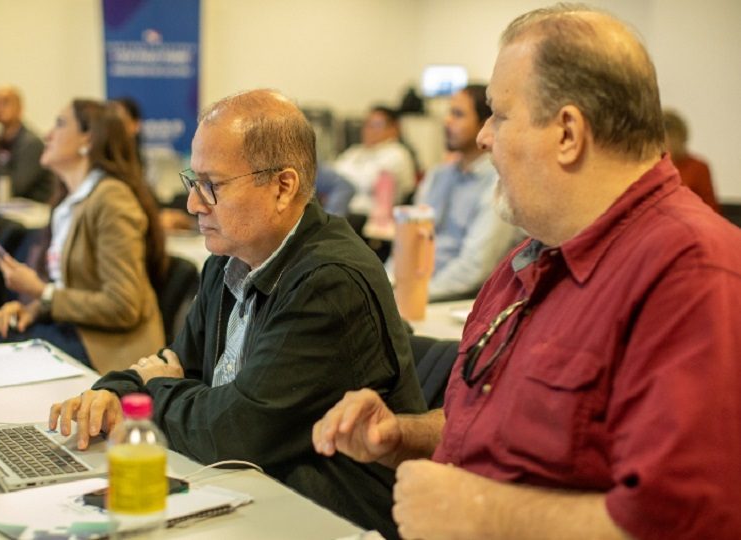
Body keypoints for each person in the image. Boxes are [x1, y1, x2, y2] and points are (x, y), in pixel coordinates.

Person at [313, 5, 741, 540]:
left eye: (499, 114)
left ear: (567, 132)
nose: (485, 137)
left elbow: (687, 524)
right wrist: (404, 435)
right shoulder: (538, 255)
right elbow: (514, 419)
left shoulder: (693, 274)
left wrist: (483, 513)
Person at [49, 89, 426, 537]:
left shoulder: (329, 281)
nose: (193, 203)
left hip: (334, 517)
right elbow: (176, 361)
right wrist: (115, 391)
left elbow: (234, 431)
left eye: (212, 185)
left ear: (282, 187)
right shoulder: (227, 262)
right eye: (194, 181)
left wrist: (155, 391)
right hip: (252, 487)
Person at [0, 99, 166, 373]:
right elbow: (75, 291)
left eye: (60, 124)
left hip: (104, 351)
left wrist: (40, 291)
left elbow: (122, 306)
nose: (48, 134)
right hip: (73, 331)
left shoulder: (111, 199)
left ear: (88, 138)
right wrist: (32, 309)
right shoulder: (72, 201)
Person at [405, 85, 519, 301]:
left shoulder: (499, 183)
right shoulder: (438, 175)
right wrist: (387, 284)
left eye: (457, 114)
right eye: (448, 113)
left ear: (484, 123)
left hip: (456, 299)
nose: (447, 121)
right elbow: (408, 242)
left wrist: (412, 296)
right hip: (417, 293)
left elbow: (473, 268)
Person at [0, 85, 55, 203]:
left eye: (5, 102)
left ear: (20, 108)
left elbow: (13, 189)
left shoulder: (32, 143)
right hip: (1, 210)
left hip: (33, 211)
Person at [332, 105, 417, 215]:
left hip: (375, 217)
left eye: (376, 125)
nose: (369, 130)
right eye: (366, 124)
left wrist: (342, 181)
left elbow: (368, 182)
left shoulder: (398, 153)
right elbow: (332, 177)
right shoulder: (355, 151)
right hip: (345, 211)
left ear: (394, 128)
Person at [663, 108, 720, 213]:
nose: (668, 144)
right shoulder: (656, 168)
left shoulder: (699, 168)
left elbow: (711, 209)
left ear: (683, 138)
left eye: (673, 138)